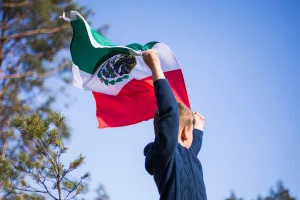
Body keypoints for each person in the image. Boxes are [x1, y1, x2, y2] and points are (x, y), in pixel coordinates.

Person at [143, 50, 207, 200]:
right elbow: (169, 112)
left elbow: (193, 145)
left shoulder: (185, 155)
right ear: (185, 132)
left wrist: (198, 128)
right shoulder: (165, 151)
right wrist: (155, 67)